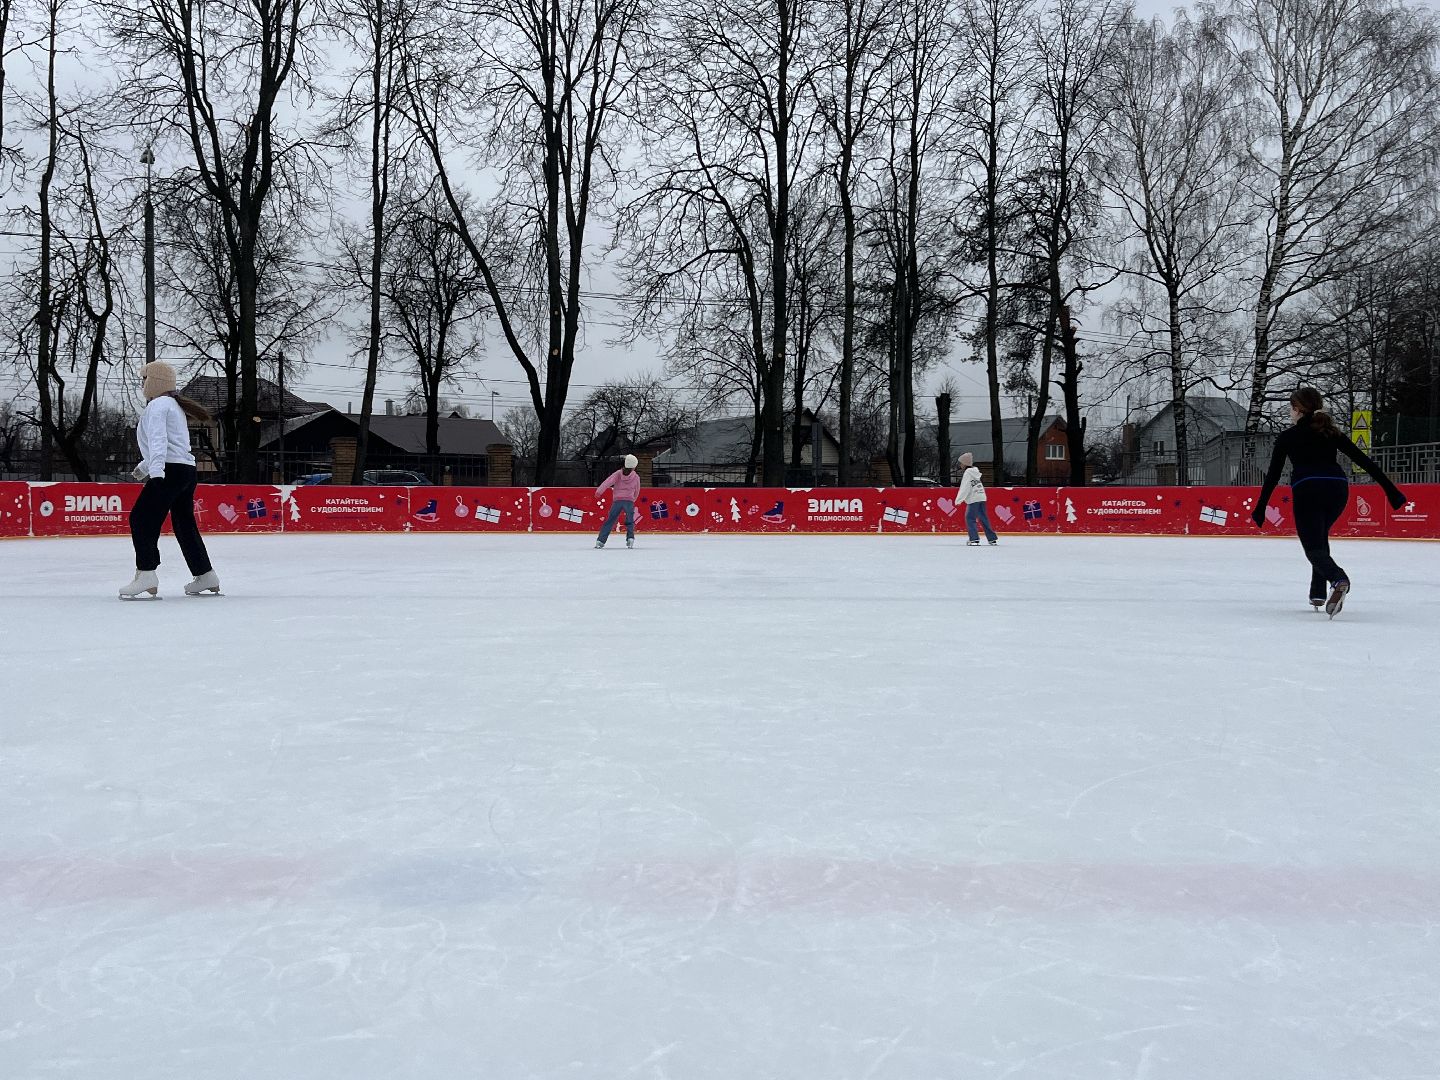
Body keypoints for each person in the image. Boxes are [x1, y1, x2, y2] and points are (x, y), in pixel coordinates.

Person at [1252, 387, 1406, 617]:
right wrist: (1391, 491)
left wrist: (1261, 506)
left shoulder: (1288, 436)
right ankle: (1318, 592)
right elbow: (1363, 460)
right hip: (1337, 489)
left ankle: (1338, 579)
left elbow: (1273, 475)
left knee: (1313, 548)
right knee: (1319, 535)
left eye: (1291, 408)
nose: (1290, 413)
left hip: (1308, 490)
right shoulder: (1330, 431)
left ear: (1297, 409)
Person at [120, 362, 221, 599]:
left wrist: (155, 471)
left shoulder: (158, 405)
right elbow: (174, 445)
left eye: (144, 379)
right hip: (185, 470)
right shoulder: (173, 405)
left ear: (155, 381)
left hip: (168, 470)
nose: (142, 385)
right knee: (183, 523)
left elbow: (159, 441)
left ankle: (146, 574)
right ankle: (205, 574)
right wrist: (144, 466)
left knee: (141, 518)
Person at [595, 453, 641, 549]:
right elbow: (637, 490)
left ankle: (600, 541)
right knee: (630, 521)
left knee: (610, 521)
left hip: (617, 501)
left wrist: (599, 491)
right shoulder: (636, 477)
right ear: (634, 466)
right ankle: (630, 539)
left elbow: (608, 482)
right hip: (629, 501)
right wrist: (633, 499)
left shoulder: (618, 474)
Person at [956, 452, 997, 547]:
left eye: (961, 463)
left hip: (974, 498)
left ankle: (974, 539)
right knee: (983, 518)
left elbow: (965, 487)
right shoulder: (976, 472)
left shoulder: (967, 473)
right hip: (981, 497)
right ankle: (992, 539)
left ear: (965, 464)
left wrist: (959, 500)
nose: (960, 465)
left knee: (970, 518)